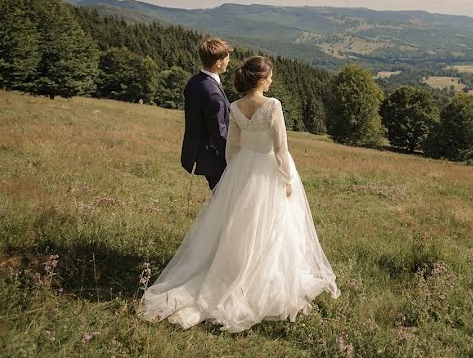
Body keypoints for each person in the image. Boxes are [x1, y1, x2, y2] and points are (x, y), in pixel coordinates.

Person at [138, 55, 340, 332]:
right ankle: (262, 279)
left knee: (239, 226)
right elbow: (281, 147)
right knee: (274, 225)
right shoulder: (273, 105)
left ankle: (232, 270)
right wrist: (287, 178)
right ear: (260, 78)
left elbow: (231, 147)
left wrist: (235, 174)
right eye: (269, 76)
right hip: (268, 168)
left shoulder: (234, 106)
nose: (271, 80)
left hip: (242, 166)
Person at [180, 38, 232, 190]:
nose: (229, 61)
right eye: (227, 58)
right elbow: (218, 131)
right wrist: (231, 158)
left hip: (200, 153)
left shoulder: (194, 81)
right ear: (218, 62)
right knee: (223, 202)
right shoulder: (212, 93)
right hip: (214, 159)